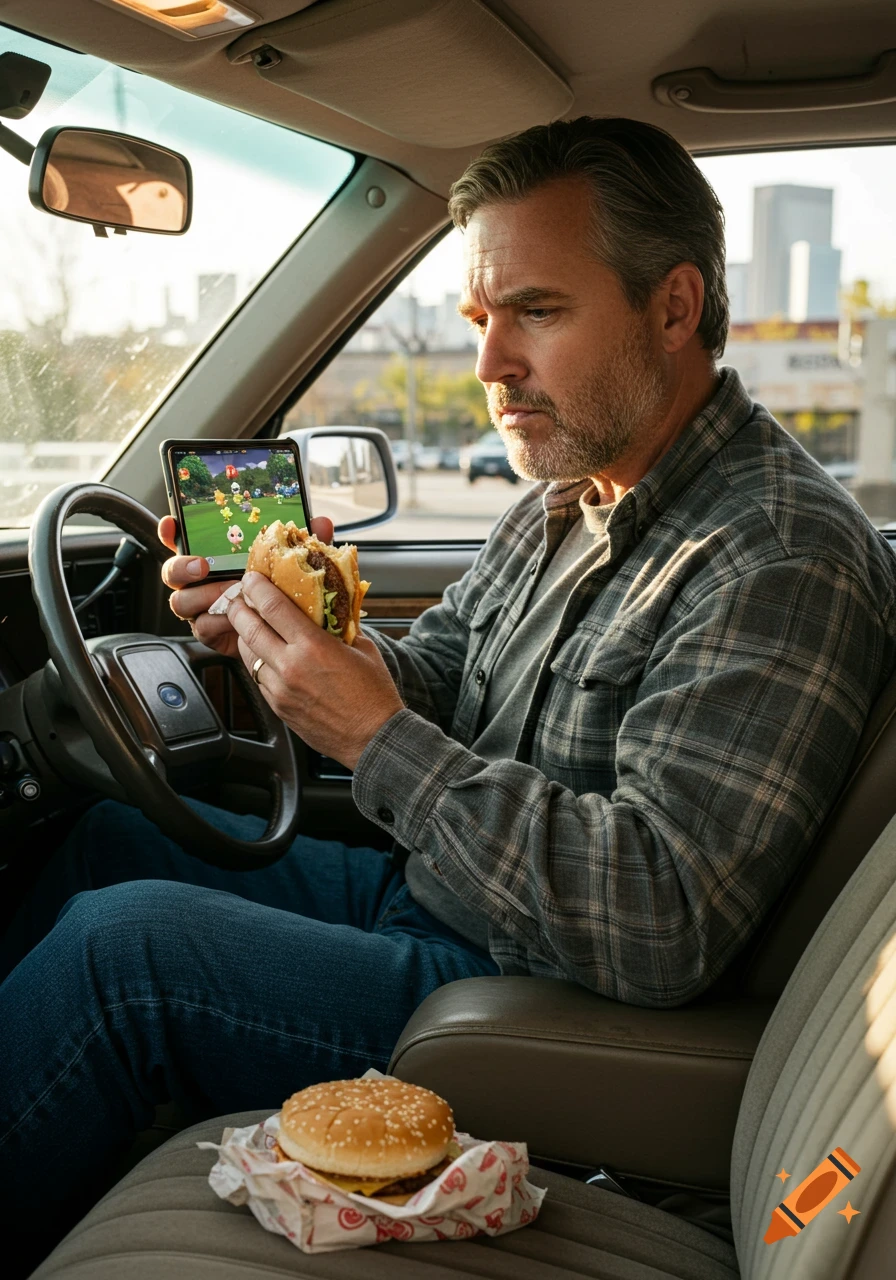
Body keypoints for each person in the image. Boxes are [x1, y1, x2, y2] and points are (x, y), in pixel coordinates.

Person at [2, 118, 895, 1240]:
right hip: (435, 900)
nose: (487, 365)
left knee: (120, 950)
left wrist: (374, 737)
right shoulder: (567, 497)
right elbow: (443, 678)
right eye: (481, 318)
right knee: (105, 842)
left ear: (673, 308)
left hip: (520, 997)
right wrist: (294, 650)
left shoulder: (771, 554)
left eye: (536, 310)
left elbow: (658, 916)